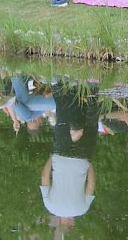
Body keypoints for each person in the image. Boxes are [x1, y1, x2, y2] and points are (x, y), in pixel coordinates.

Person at [40, 82, 99, 225]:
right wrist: (52, 157)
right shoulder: (50, 206)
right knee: (63, 119)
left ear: (71, 222)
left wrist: (88, 163)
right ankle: (57, 84)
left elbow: (91, 184)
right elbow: (44, 177)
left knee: (90, 125)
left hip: (81, 161)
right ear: (60, 222)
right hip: (61, 157)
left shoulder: (81, 210)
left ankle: (93, 87)